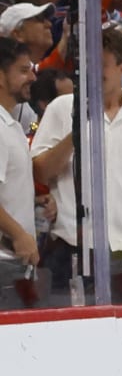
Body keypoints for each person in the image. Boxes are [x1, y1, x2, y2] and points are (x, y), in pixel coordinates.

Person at [30, 26, 122, 306]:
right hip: (70, 245)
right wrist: (77, 130)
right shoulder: (61, 108)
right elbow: (41, 172)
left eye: (101, 65)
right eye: (87, 64)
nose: (92, 72)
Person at [0, 36, 36, 309]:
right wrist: (20, 235)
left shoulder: (10, 124)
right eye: (23, 70)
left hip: (12, 261)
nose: (32, 77)